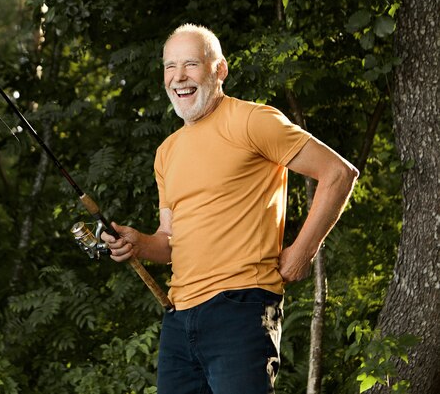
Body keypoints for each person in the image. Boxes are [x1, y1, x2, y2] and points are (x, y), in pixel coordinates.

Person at [101, 23, 359, 394]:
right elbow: (168, 239)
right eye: (170, 67)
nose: (179, 77)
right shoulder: (166, 152)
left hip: (242, 305)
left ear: (219, 69)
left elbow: (338, 173)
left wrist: (303, 252)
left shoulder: (253, 120)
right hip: (179, 317)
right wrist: (138, 242)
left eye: (191, 64)